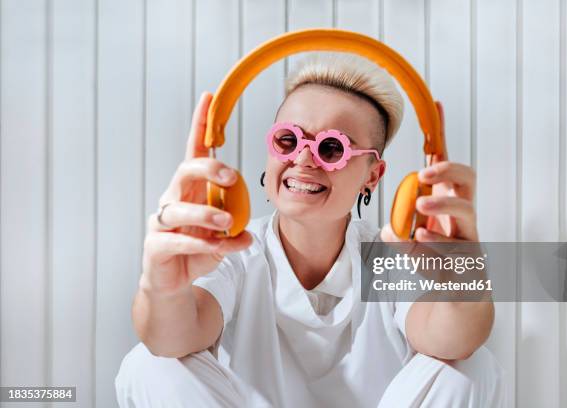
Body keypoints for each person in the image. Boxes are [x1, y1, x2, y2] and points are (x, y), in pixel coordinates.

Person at [115, 53, 506, 407]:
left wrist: (464, 283)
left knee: (471, 366)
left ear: (373, 175)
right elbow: (171, 338)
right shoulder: (231, 250)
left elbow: (453, 340)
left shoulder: (392, 255)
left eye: (332, 148)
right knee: (150, 364)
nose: (303, 158)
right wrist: (161, 287)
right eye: (288, 140)